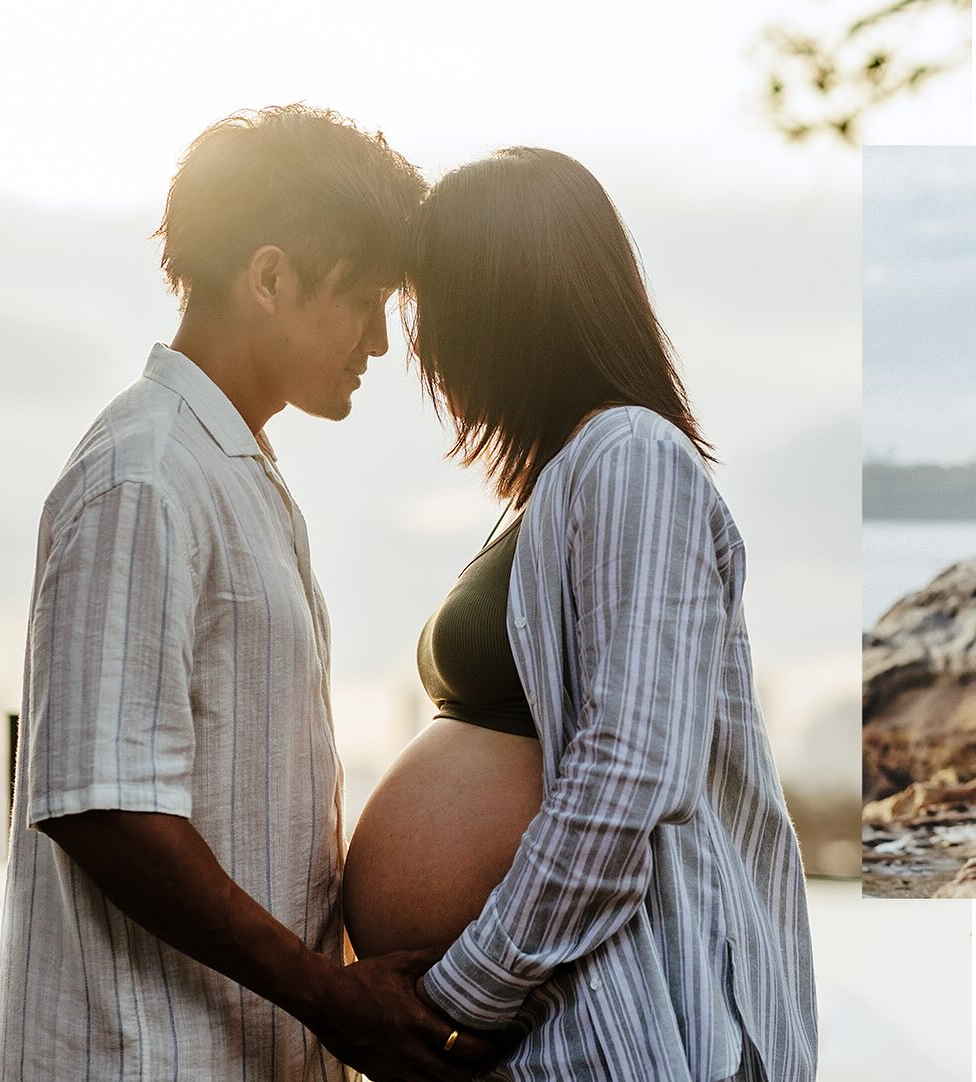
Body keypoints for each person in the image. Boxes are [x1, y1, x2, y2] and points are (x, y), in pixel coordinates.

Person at [0, 106, 503, 1082]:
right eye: (365, 299)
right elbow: (104, 805)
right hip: (139, 1059)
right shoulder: (143, 475)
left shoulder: (233, 474)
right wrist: (326, 992)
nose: (381, 344)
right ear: (269, 277)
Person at [342, 148, 818, 1080]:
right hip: (549, 1031)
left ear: (505, 301)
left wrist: (459, 995)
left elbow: (630, 771)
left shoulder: (629, 455)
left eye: (434, 306)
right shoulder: (561, 480)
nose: (419, 347)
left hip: (620, 1028)